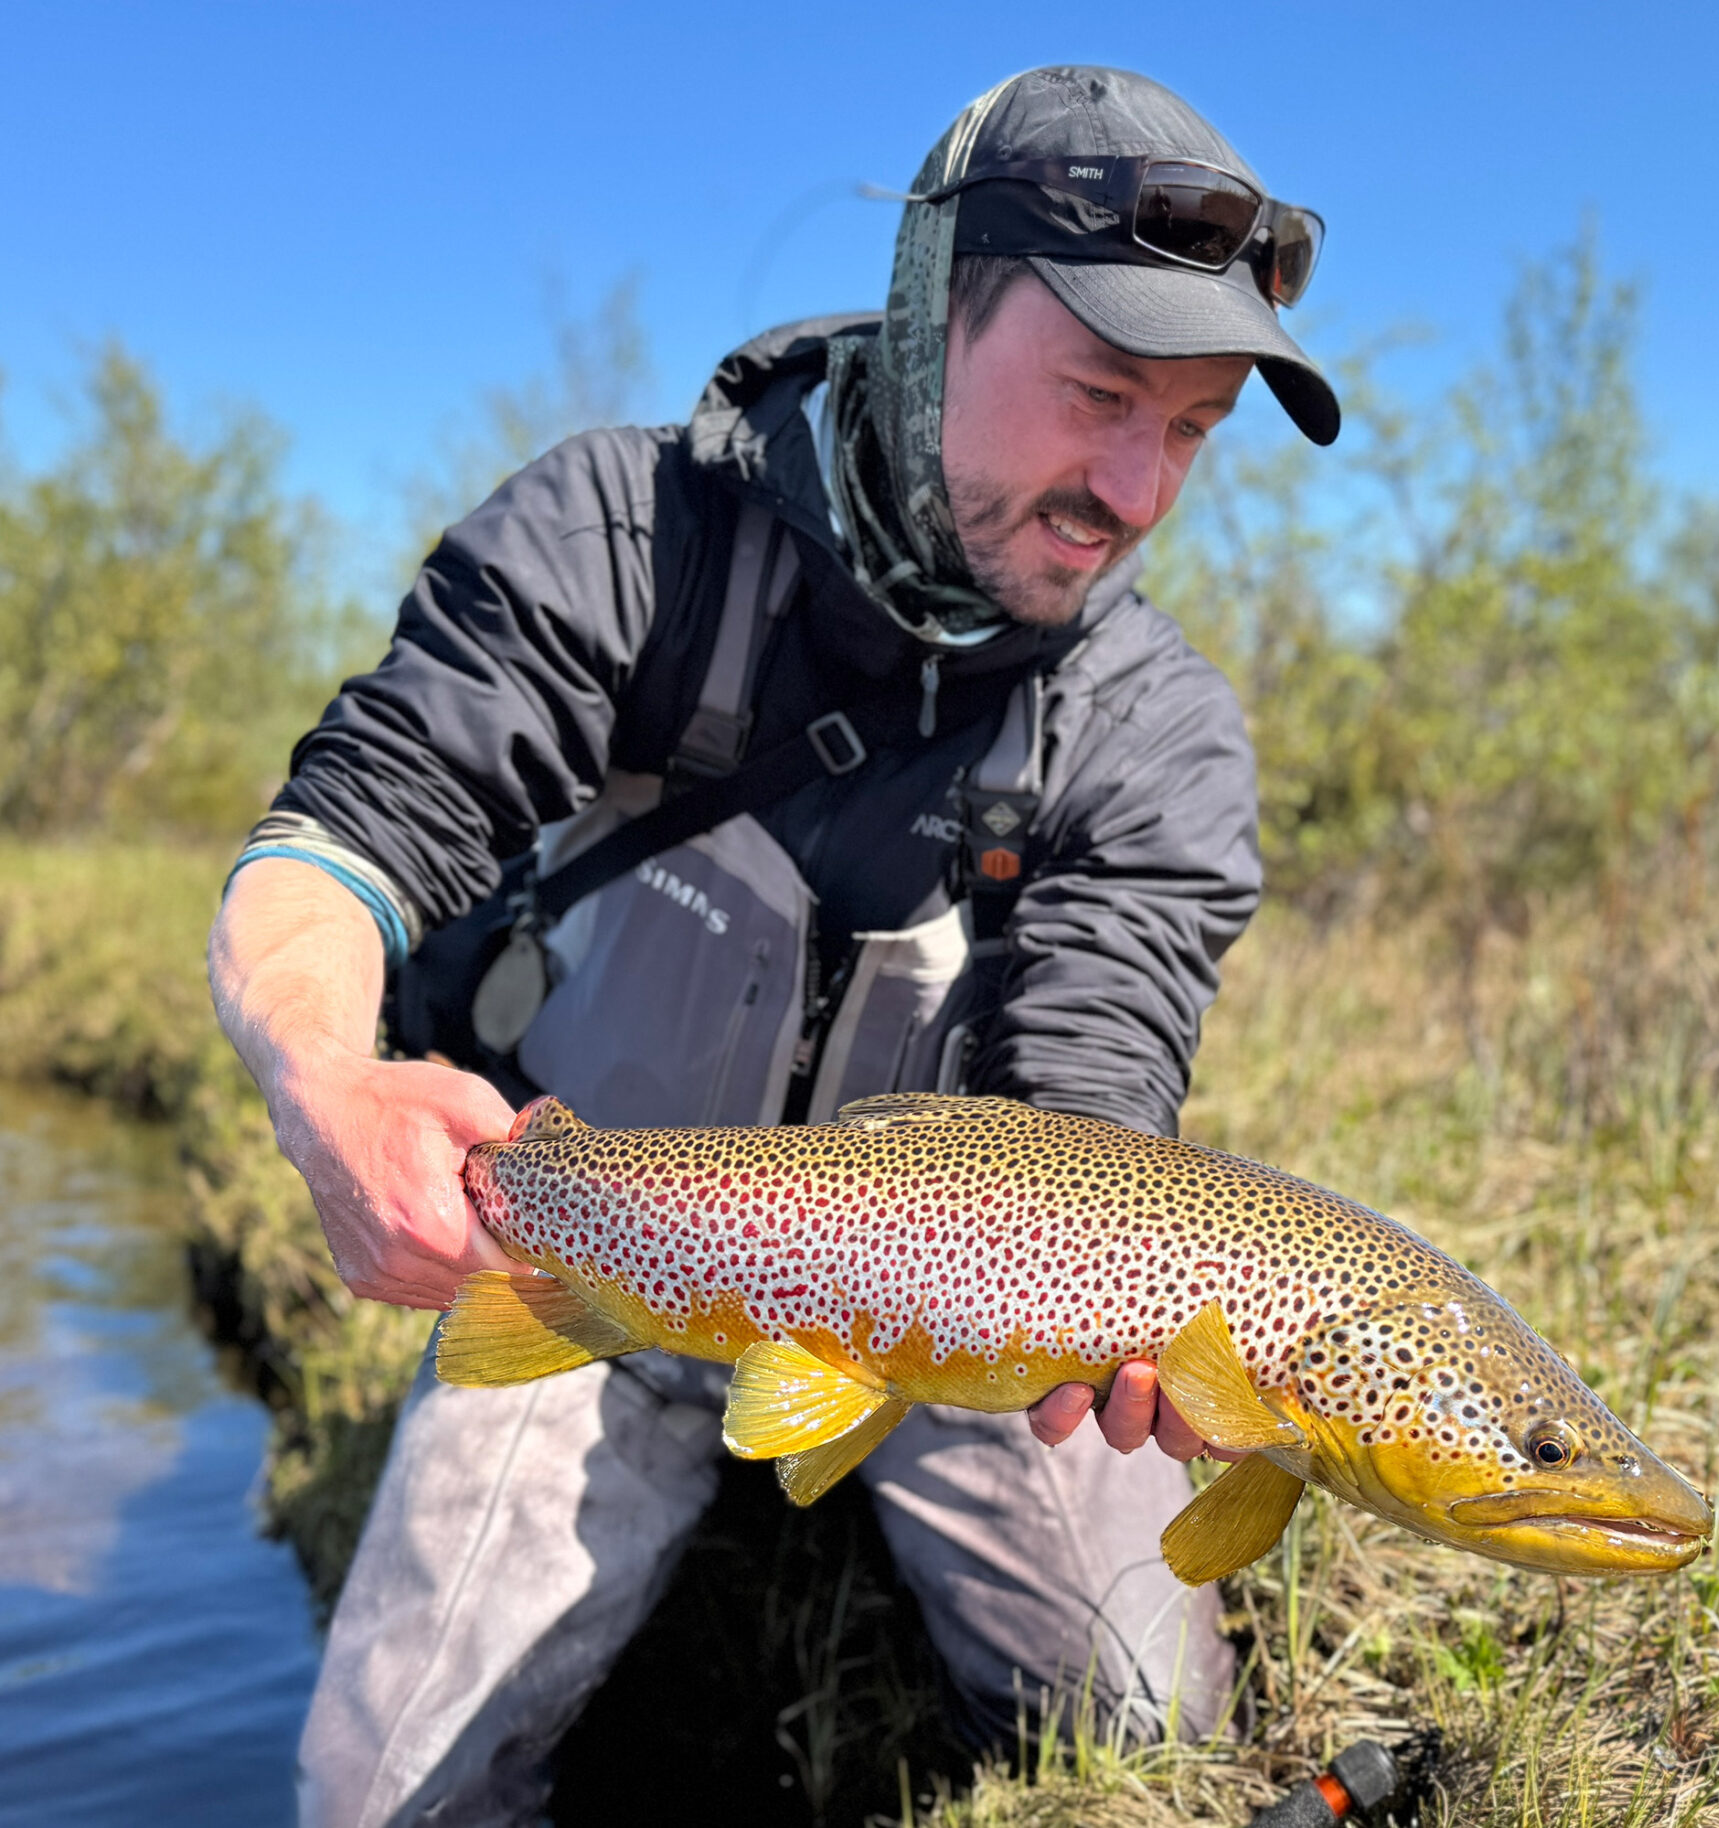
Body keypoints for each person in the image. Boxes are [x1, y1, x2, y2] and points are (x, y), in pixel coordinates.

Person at [207, 65, 1337, 1828]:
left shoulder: (1157, 731)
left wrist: (1134, 1319)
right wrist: (325, 1081)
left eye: (1189, 432)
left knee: (1145, 1753)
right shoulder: (620, 539)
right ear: (928, 310)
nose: (1133, 486)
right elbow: (338, 844)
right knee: (381, 1798)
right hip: (589, 1259)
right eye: (1103, 393)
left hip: (968, 1334)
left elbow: (1094, 1089)